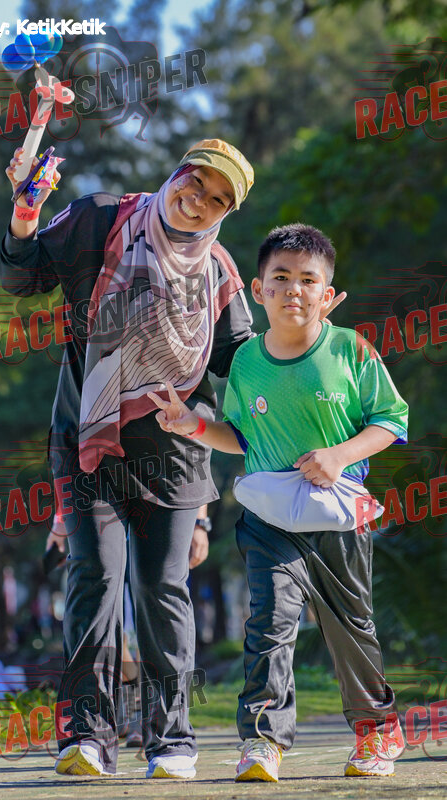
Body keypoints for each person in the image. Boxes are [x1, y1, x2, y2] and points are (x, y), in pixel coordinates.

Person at [1, 138, 261, 780]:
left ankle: (172, 742)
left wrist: (308, 345)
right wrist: (25, 213)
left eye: (217, 200)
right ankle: (86, 737)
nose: (197, 202)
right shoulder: (98, 220)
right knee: (92, 576)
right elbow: (24, 278)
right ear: (176, 172)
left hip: (175, 452)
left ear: (226, 213)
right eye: (195, 182)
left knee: (160, 589)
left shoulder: (218, 273)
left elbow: (243, 368)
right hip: (86, 438)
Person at [148, 223, 409, 782]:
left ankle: (376, 731)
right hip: (268, 518)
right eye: (281, 278)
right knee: (269, 621)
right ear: (258, 289)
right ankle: (262, 739)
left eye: (308, 280)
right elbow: (240, 436)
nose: (294, 289)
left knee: (350, 626)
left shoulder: (351, 349)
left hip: (339, 514)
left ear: (328, 294)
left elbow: (392, 419)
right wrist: (191, 424)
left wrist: (339, 455)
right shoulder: (246, 361)